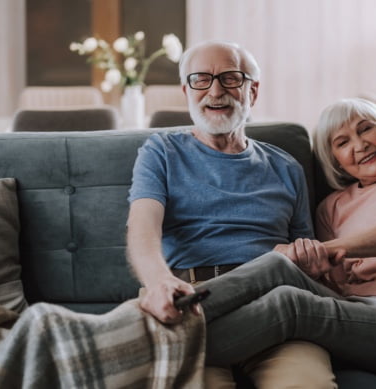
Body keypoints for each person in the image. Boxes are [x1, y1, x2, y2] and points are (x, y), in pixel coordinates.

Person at [196, 97, 376, 384]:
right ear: (334, 160)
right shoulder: (332, 207)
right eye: (342, 142)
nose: (360, 145)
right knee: (279, 264)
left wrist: (330, 249)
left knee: (290, 304)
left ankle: (165, 348)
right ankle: (171, 313)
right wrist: (306, 260)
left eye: (365, 129)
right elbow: (332, 284)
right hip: (359, 317)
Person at [126, 40, 336, 388]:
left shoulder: (286, 167)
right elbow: (142, 228)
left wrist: (313, 267)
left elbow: (305, 249)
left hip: (275, 302)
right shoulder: (160, 152)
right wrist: (158, 280)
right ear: (185, 91)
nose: (215, 91)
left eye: (231, 78)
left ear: (253, 91)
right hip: (194, 298)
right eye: (201, 79)